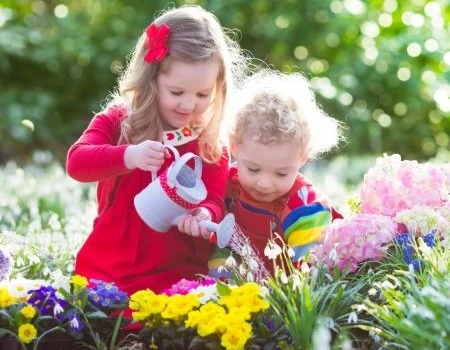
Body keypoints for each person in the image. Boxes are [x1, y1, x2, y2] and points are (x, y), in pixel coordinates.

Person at [66, 5, 248, 295]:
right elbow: (77, 163)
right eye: (177, 92)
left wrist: (204, 214)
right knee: (105, 317)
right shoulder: (120, 120)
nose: (188, 105)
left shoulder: (208, 139)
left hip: (177, 270)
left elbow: (214, 198)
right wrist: (129, 155)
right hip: (112, 264)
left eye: (203, 94)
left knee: (179, 323)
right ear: (151, 79)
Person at [209, 69, 344, 275]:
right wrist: (221, 282)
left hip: (290, 294)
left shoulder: (305, 206)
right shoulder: (227, 185)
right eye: (253, 169)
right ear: (234, 146)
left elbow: (311, 271)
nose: (264, 183)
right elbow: (223, 244)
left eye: (281, 174)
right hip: (245, 291)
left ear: (303, 157)